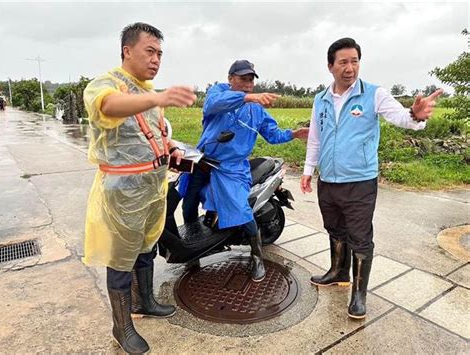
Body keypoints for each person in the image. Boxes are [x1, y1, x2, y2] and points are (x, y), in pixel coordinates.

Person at [300, 37, 443, 319]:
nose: (350, 67)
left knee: (360, 238)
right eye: (343, 62)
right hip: (327, 180)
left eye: (354, 61)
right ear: (330, 66)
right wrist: (307, 171)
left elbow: (402, 117)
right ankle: (338, 272)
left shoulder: (374, 94)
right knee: (334, 229)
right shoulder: (321, 100)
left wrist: (415, 114)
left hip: (360, 183)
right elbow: (315, 138)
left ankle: (359, 294)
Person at [83, 22, 196, 354]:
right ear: (127, 50)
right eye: (150, 51)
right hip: (122, 194)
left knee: (146, 248)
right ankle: (122, 327)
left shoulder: (147, 91)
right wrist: (157, 97)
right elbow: (108, 107)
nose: (156, 59)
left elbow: (154, 132)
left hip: (152, 187)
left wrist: (172, 148)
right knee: (120, 259)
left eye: (160, 53)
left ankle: (145, 301)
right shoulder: (104, 85)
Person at [181, 59, 309, 282]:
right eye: (243, 79)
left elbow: (272, 135)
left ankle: (257, 254)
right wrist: (248, 97)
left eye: (251, 80)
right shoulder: (217, 92)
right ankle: (192, 252)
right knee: (188, 202)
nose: (248, 83)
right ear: (230, 78)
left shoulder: (256, 110)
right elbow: (214, 104)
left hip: (233, 168)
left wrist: (294, 133)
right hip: (203, 161)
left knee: (241, 210)